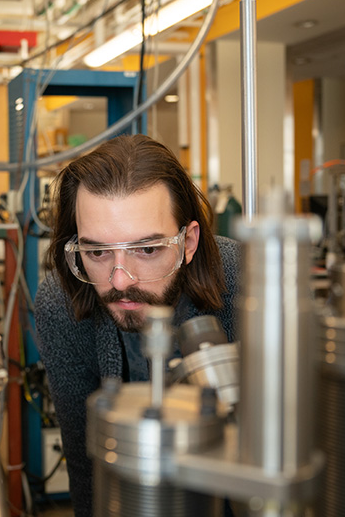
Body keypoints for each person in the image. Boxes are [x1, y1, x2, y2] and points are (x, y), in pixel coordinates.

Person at [33, 134, 240, 517]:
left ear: (188, 241)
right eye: (96, 252)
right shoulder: (60, 303)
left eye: (146, 250)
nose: (120, 280)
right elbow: (85, 461)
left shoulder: (246, 283)